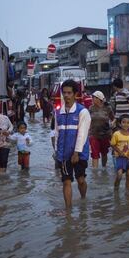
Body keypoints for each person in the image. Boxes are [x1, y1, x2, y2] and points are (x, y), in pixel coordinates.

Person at [55, 79, 91, 209]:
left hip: (79, 153)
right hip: (64, 154)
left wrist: (76, 153)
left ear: (75, 94)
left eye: (69, 93)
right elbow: (57, 132)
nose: (66, 96)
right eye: (64, 93)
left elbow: (82, 134)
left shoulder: (83, 112)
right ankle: (68, 212)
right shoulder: (58, 112)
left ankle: (83, 198)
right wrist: (56, 152)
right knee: (66, 181)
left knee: (81, 180)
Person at [110, 114, 129, 192]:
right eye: (124, 122)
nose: (126, 124)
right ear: (119, 123)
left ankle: (127, 191)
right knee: (119, 174)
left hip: (128, 157)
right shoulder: (116, 134)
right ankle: (116, 189)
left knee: (128, 174)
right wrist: (119, 151)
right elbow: (112, 144)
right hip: (119, 157)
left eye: (128, 123)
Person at [89, 90, 115, 168]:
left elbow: (113, 119)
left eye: (94, 98)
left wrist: (112, 126)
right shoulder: (91, 108)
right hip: (94, 134)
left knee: (104, 153)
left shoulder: (108, 108)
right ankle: (95, 175)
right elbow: (88, 120)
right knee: (94, 154)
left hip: (105, 134)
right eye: (92, 97)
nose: (92, 99)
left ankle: (104, 169)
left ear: (99, 99)